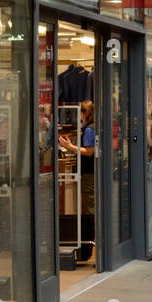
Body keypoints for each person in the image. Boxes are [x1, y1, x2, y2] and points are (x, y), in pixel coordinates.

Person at [58, 100, 96, 262]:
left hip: (88, 174)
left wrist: (70, 146)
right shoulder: (92, 127)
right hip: (90, 174)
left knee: (89, 208)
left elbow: (89, 151)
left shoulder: (88, 130)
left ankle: (89, 243)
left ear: (84, 113)